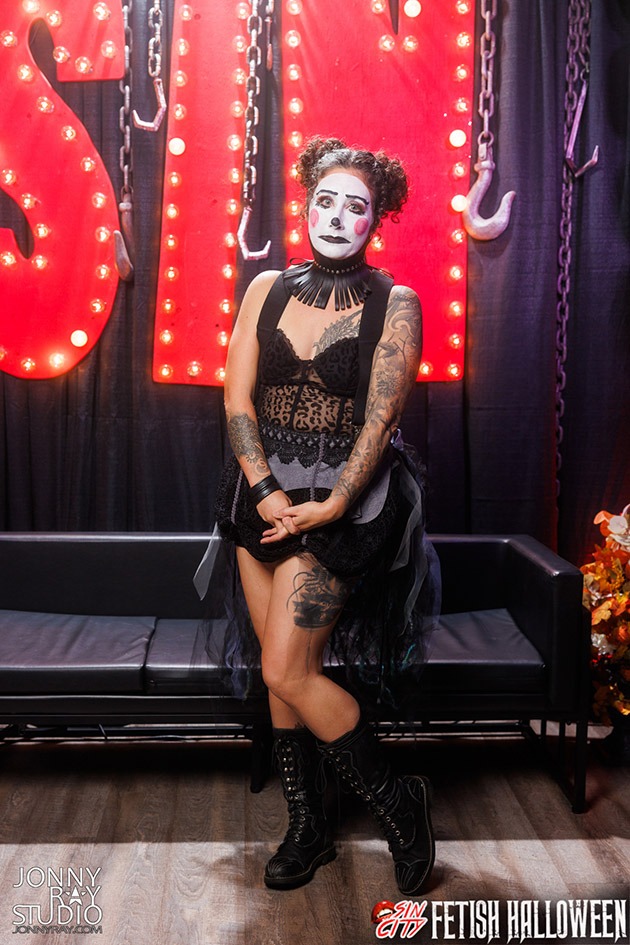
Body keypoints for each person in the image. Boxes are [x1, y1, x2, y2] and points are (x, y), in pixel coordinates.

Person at [210, 136, 439, 894]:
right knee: (281, 678)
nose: (338, 217)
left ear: (377, 219)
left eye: (356, 206)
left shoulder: (395, 303)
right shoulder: (265, 288)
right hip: (261, 496)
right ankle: (308, 827)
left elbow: (382, 417)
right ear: (306, 205)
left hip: (343, 503)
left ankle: (399, 802)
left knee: (287, 665)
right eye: (326, 201)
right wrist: (264, 490)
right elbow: (236, 396)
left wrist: (334, 502)